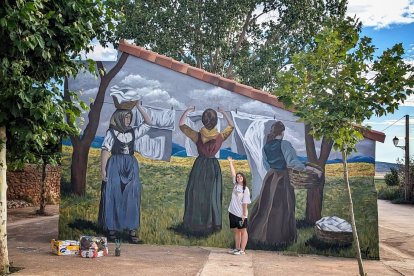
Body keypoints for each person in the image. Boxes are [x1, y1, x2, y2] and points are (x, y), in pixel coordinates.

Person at [248, 121, 320, 247]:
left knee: (267, 205)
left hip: (270, 177)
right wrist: (307, 169)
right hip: (282, 178)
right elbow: (292, 162)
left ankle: (260, 234)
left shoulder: (266, 146)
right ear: (282, 132)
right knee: (283, 206)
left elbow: (265, 164)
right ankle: (280, 237)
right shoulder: (285, 144)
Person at [99, 101, 152, 243]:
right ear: (119, 118)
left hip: (130, 164)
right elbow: (105, 150)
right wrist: (103, 170)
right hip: (115, 164)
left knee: (132, 195)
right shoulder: (111, 133)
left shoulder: (133, 132)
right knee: (113, 193)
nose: (128, 120)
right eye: (126, 117)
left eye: (130, 117)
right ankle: (112, 229)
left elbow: (148, 123)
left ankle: (131, 230)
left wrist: (139, 107)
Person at [179, 106, 234, 235]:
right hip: (213, 166)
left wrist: (187, 111)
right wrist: (224, 112)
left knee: (197, 194)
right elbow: (231, 126)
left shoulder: (197, 135)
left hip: (200, 166)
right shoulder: (220, 136)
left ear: (203, 121)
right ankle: (212, 223)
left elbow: (181, 125)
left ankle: (196, 223)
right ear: (215, 122)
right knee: (212, 195)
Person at [227, 157, 251, 255]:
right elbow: (233, 173)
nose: (238, 178)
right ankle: (237, 248)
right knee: (236, 231)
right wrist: (230, 163)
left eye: (240, 177)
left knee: (243, 231)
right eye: (238, 177)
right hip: (232, 212)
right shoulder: (236, 185)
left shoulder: (246, 189)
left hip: (240, 214)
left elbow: (245, 203)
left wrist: (244, 215)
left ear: (243, 178)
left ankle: (242, 250)